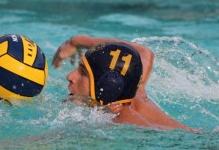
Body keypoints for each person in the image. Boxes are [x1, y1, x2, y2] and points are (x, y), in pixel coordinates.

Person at [52, 34, 200, 132]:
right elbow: (144, 52)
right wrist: (78, 41)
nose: (70, 76)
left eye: (83, 73)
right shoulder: (131, 89)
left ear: (108, 87)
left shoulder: (126, 121)